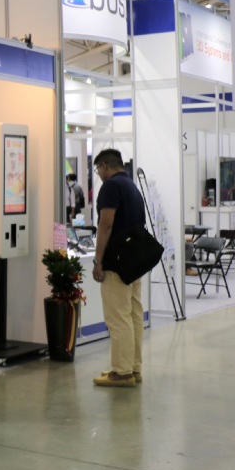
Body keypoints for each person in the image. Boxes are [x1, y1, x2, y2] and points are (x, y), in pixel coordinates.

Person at [91, 148, 145, 388]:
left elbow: (105, 225)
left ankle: (121, 373)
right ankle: (133, 367)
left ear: (104, 166)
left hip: (117, 261)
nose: (99, 174)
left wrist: (98, 260)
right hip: (134, 261)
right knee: (133, 314)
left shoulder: (111, 186)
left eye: (98, 170)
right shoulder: (132, 186)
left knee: (118, 317)